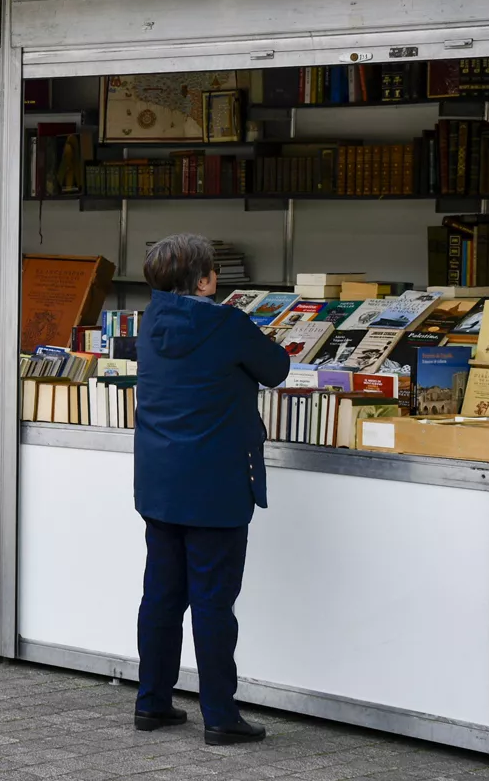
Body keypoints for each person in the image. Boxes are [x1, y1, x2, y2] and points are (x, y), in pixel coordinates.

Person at [132, 233, 289, 745]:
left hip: (159, 482)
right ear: (204, 280)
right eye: (213, 272)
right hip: (216, 485)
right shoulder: (226, 323)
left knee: (161, 595)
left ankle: (152, 703)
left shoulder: (149, 320)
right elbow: (276, 369)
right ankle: (220, 715)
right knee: (213, 603)